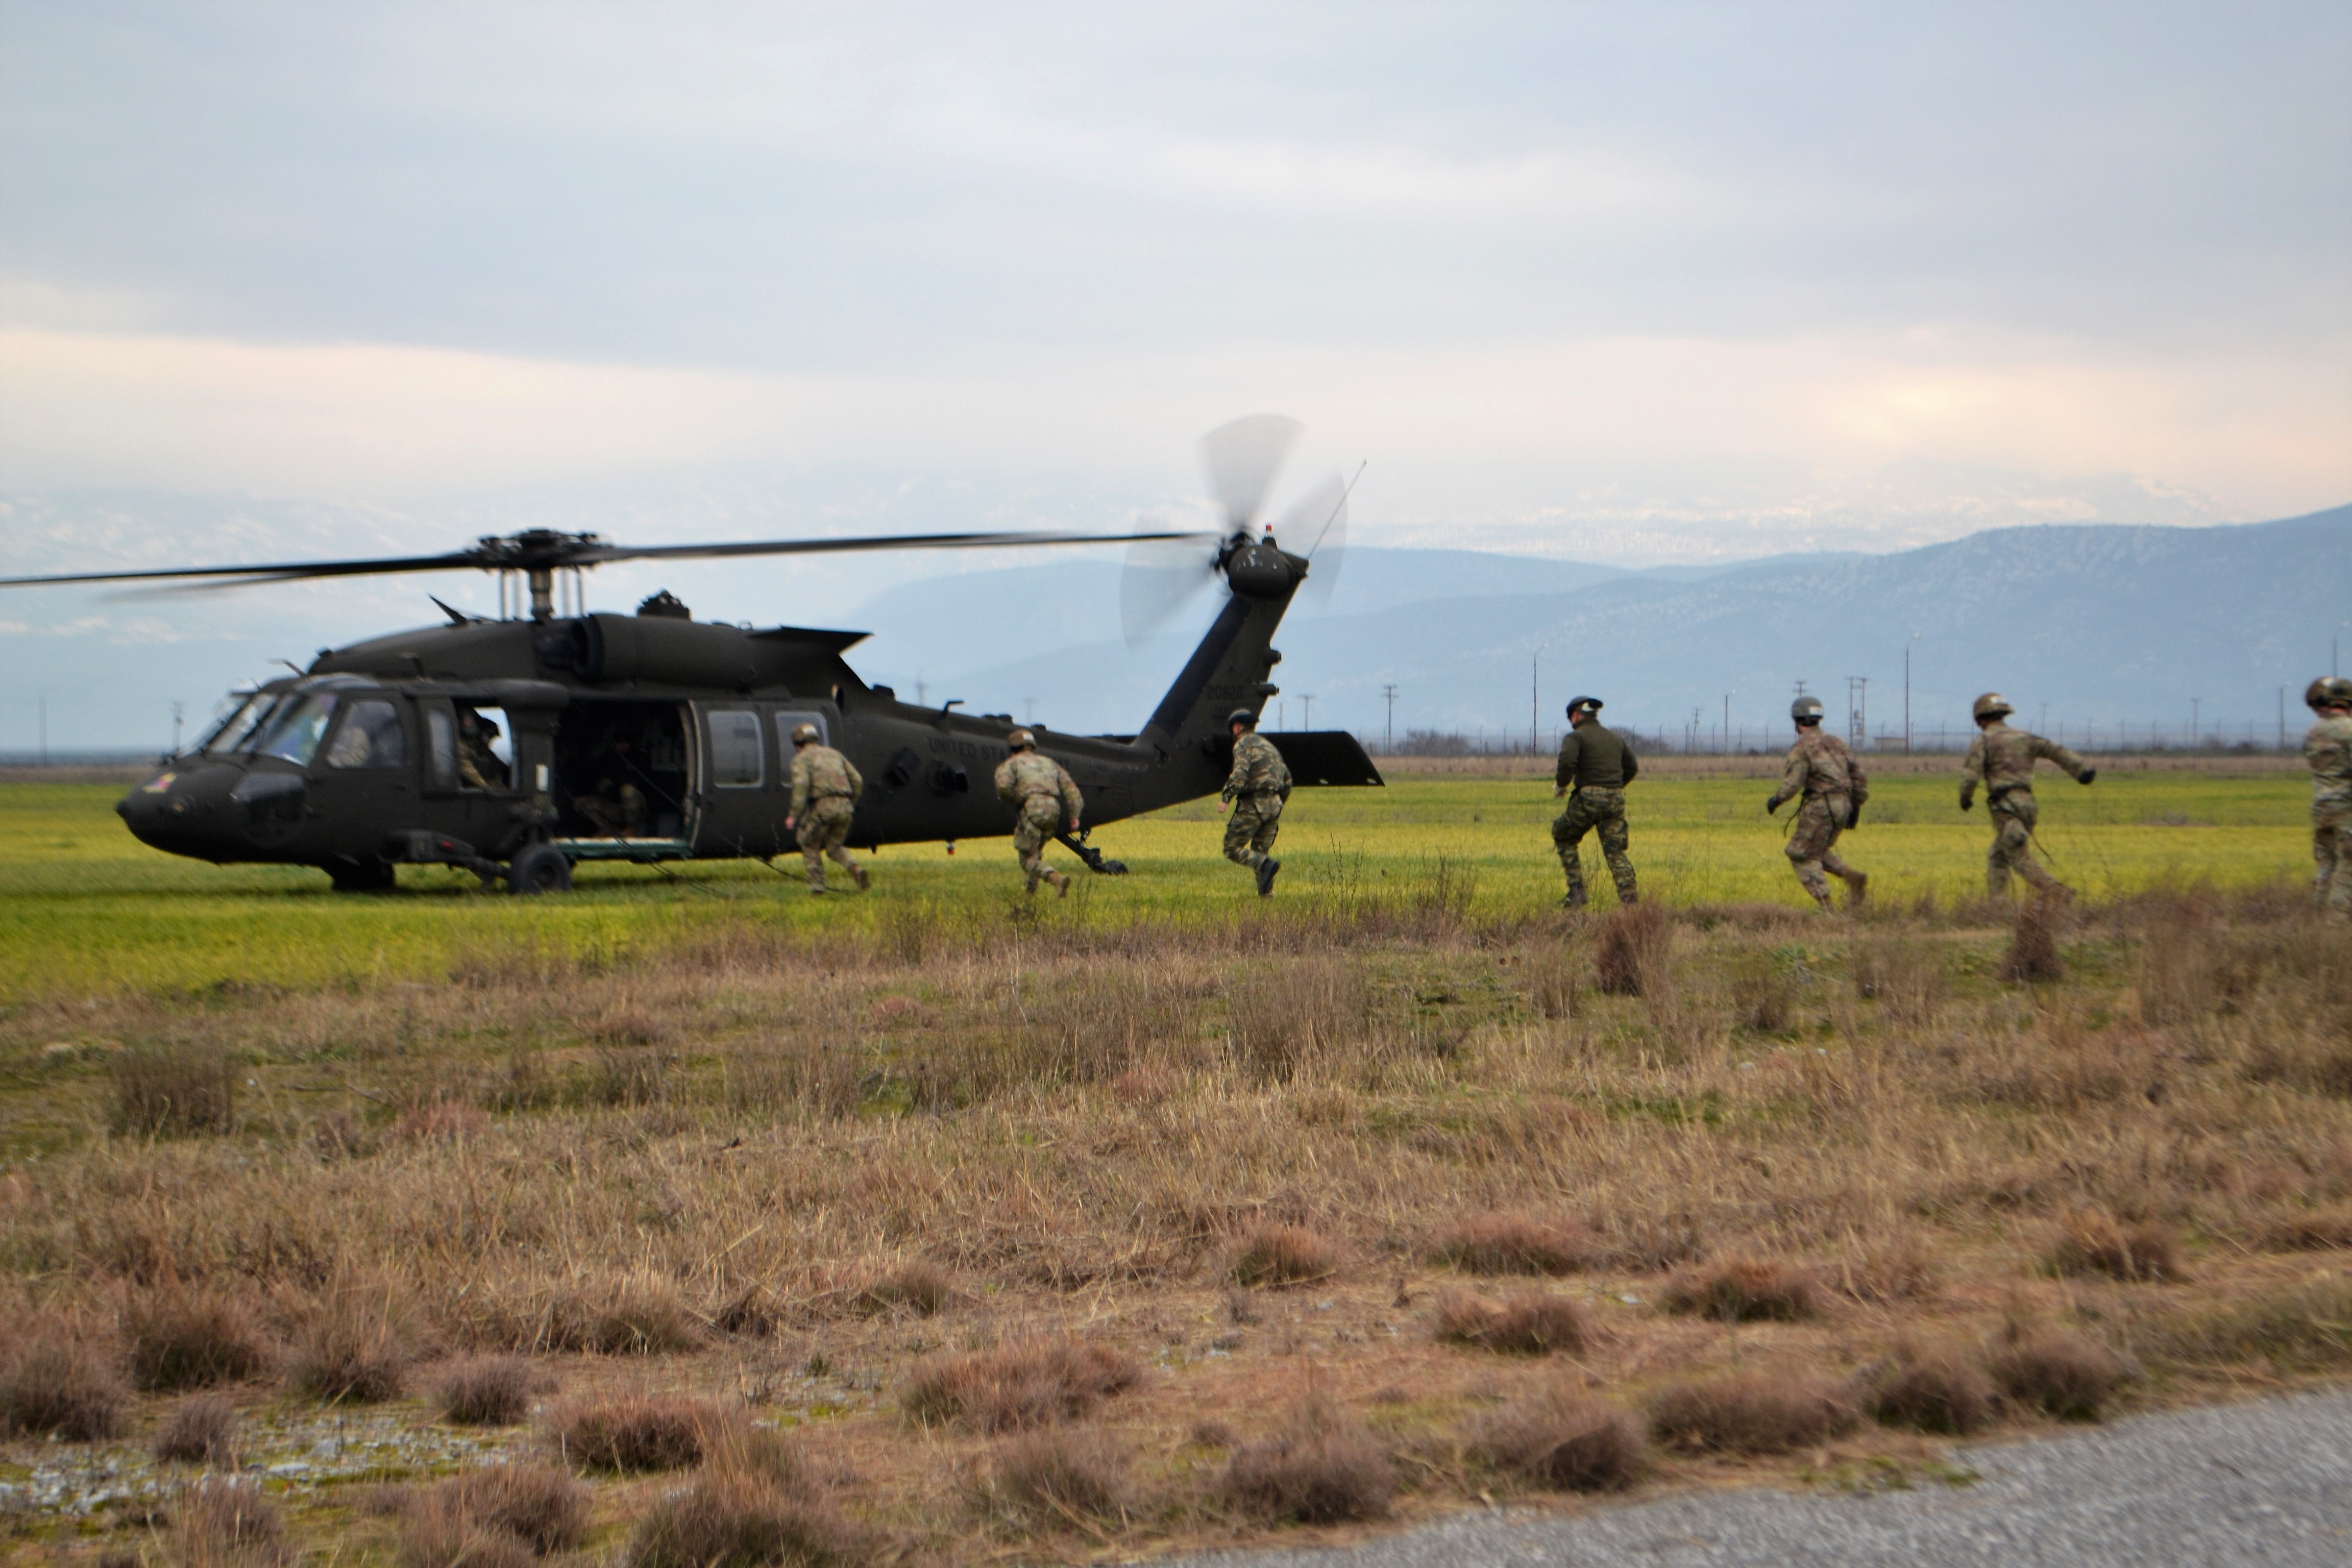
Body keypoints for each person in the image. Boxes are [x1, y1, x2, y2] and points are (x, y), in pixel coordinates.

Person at [1959, 692, 2094, 899]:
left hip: (2007, 808)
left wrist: (1965, 798)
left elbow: (1971, 775)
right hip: (2028, 806)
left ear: (1981, 719)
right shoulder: (2024, 738)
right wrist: (2081, 770)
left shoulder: (1984, 741)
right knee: (1998, 857)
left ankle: (2059, 893)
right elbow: (2055, 751)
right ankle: (1997, 906)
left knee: (2019, 858)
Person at [1764, 695, 1869, 912]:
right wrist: (1856, 807)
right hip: (1844, 805)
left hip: (1821, 806)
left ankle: (1828, 909)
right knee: (1816, 850)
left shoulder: (1802, 747)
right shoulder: (1837, 743)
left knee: (1799, 853)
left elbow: (1794, 782)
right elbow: (1858, 776)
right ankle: (1852, 877)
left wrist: (1776, 800)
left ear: (1797, 721)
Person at [1551, 696, 1639, 907]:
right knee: (1615, 850)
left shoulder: (1575, 738)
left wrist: (1561, 785)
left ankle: (1577, 891)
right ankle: (1629, 898)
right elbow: (1632, 767)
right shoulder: (1615, 739)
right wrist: (1614, 786)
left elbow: (1567, 763)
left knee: (1563, 834)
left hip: (1588, 799)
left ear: (1575, 716)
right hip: (1615, 798)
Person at [992, 728, 1083, 896]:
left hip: (1032, 809)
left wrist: (1014, 799)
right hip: (1053, 809)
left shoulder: (1012, 764)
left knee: (1027, 859)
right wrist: (1075, 816)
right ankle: (1030, 893)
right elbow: (1072, 790)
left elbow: (1003, 787)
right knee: (1035, 852)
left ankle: (1056, 879)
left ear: (1013, 748)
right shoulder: (1050, 763)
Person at [785, 722, 869, 894]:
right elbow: (858, 781)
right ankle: (855, 868)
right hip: (845, 807)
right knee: (834, 846)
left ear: (798, 744)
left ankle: (818, 887)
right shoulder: (835, 754)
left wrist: (793, 815)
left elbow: (801, 787)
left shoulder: (801, 759)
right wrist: (850, 803)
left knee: (808, 842)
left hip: (823, 807)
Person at [1220, 708, 1292, 896]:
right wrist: (1278, 803)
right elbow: (1287, 780)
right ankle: (1267, 898)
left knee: (1232, 848)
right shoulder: (1269, 747)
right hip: (1274, 804)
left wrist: (1226, 798)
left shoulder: (1243, 745)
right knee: (1260, 851)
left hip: (1254, 803)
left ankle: (1266, 865)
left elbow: (1240, 774)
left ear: (1237, 727)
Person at [2303, 676, 2352, 923]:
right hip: (2347, 810)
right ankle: (2336, 924)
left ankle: (2317, 921)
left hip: (2321, 808)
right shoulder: (2349, 730)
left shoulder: (2314, 731)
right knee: (2348, 867)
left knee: (2326, 866)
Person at [577, 775, 646, 838]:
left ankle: (631, 829)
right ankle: (609, 831)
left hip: (627, 804)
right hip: (609, 804)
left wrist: (614, 781)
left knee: (629, 791)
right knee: (581, 803)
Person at [456, 710, 508, 790]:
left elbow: (501, 768)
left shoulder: (482, 752)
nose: (489, 741)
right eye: (488, 736)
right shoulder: (461, 748)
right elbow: (470, 772)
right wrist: (488, 788)